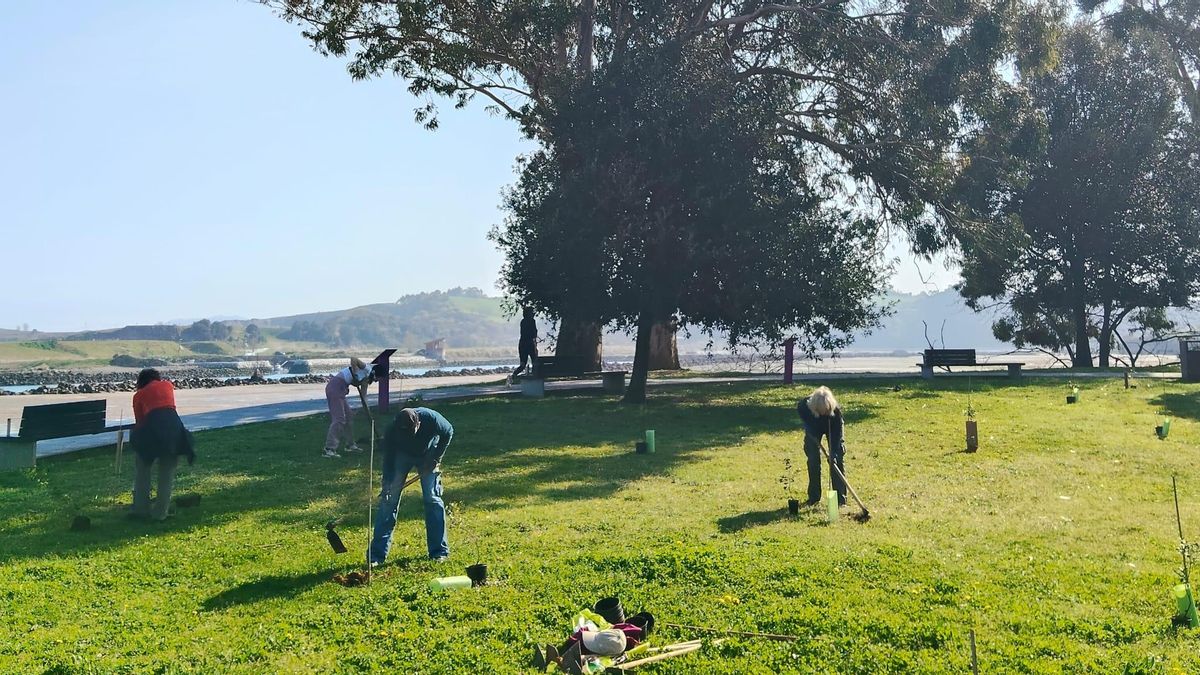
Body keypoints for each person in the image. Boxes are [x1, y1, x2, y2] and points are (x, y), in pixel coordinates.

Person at [369, 407, 453, 565]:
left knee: (433, 499)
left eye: (410, 432)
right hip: (402, 456)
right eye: (404, 433)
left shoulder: (431, 418)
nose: (407, 435)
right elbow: (388, 457)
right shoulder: (392, 430)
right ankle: (376, 556)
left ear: (418, 424)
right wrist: (387, 482)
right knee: (388, 502)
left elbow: (448, 431)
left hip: (428, 454)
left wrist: (436, 458)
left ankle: (439, 552)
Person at [129, 368, 194, 521]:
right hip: (174, 429)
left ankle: (141, 508)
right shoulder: (167, 386)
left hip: (152, 429)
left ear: (141, 382)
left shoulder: (138, 395)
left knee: (143, 468)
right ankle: (160, 513)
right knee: (167, 471)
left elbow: (140, 422)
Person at [796, 385, 847, 507]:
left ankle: (840, 499)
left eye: (825, 410)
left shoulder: (836, 412)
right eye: (820, 411)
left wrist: (833, 453)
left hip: (831, 425)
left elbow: (836, 435)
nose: (823, 412)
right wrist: (811, 430)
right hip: (813, 427)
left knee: (837, 460)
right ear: (814, 408)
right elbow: (806, 420)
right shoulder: (804, 406)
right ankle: (814, 497)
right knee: (813, 459)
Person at [323, 357, 375, 458]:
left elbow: (364, 397)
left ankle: (350, 445)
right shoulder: (366, 368)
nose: (374, 380)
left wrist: (367, 410)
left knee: (349, 417)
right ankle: (329, 449)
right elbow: (354, 359)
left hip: (342, 390)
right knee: (339, 419)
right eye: (376, 378)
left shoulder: (366, 380)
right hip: (334, 387)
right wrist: (355, 373)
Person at [510, 306, 539, 380]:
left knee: (523, 364)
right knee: (535, 362)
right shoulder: (532, 321)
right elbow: (534, 334)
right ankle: (535, 376)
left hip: (522, 344)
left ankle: (514, 375)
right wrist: (535, 345)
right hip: (530, 344)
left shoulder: (523, 321)